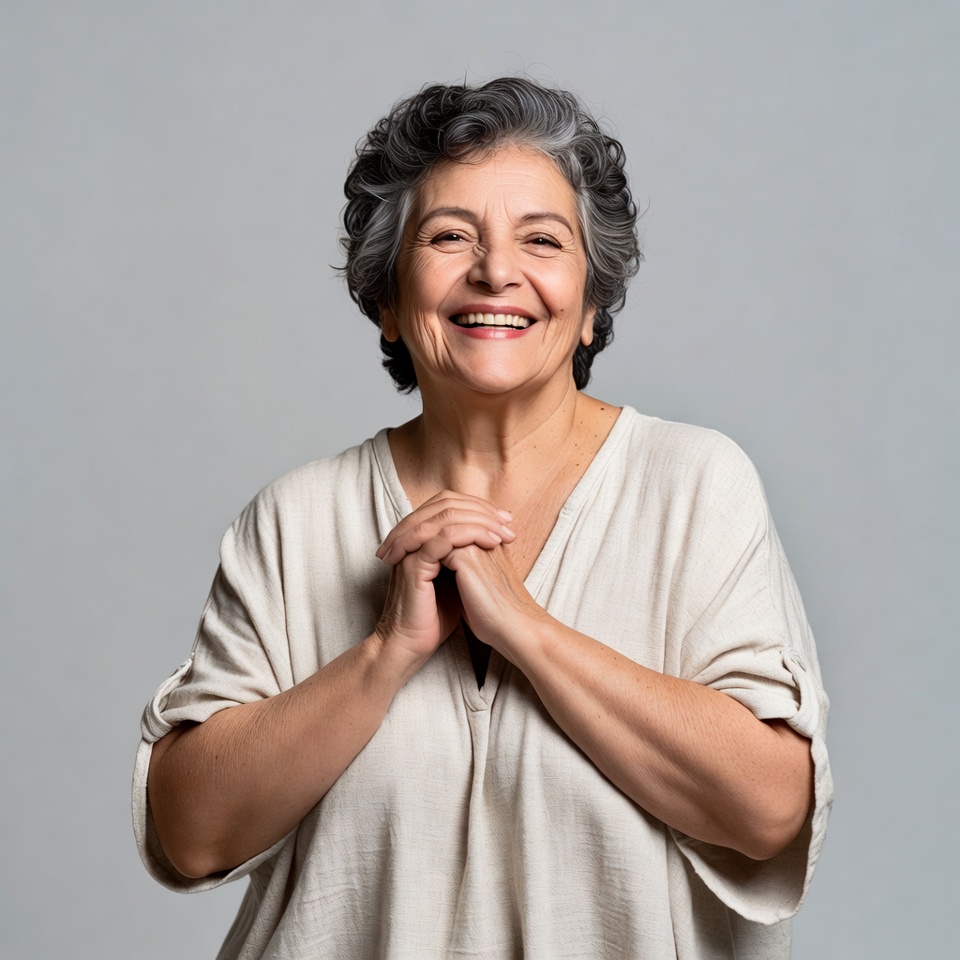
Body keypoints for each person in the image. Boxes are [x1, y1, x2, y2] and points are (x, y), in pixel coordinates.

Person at [133, 77, 832, 959]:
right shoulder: (295, 518)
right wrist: (387, 652)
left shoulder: (692, 486)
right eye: (449, 236)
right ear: (386, 299)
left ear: (589, 307)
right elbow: (192, 833)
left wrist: (529, 631)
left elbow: (768, 811)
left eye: (541, 239)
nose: (496, 271)